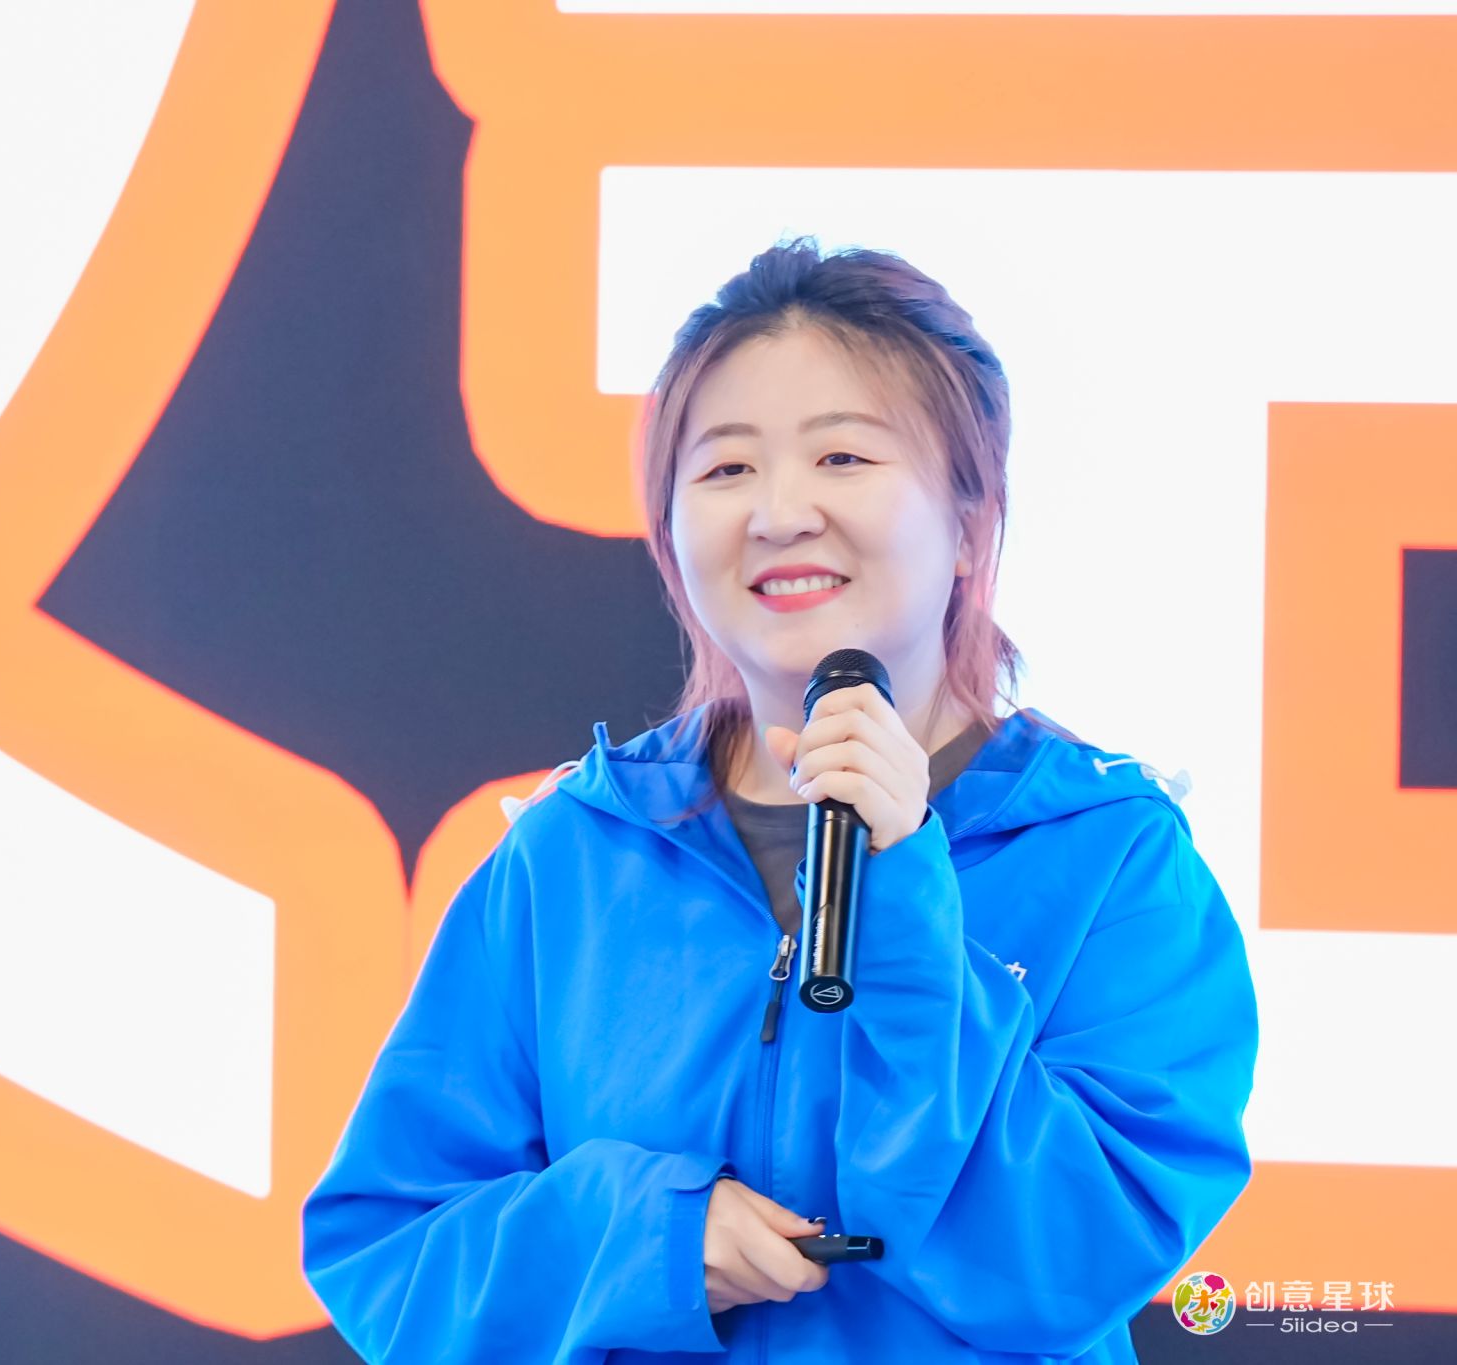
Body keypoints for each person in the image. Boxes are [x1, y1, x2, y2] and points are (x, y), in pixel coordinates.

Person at [299, 238, 1259, 1363]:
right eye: (725, 469)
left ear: (966, 523)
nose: (780, 512)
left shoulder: (1112, 860)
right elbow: (390, 1248)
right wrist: (645, 1242)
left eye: (842, 456)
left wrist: (901, 896)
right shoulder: (574, 855)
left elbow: (1072, 1258)